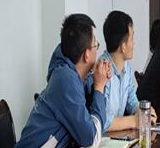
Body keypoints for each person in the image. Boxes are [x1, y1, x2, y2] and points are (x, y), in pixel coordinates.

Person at [16, 14, 111, 148]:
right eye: (96, 45)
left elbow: (95, 122)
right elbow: (91, 139)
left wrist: (98, 82)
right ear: (86, 54)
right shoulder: (66, 79)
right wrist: (99, 87)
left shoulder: (74, 76)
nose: (97, 51)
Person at [91, 10, 156, 132]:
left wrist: (143, 113)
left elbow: (132, 101)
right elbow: (102, 121)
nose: (134, 43)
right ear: (123, 46)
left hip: (119, 137)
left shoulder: (126, 67)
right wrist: (134, 121)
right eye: (132, 39)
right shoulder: (102, 71)